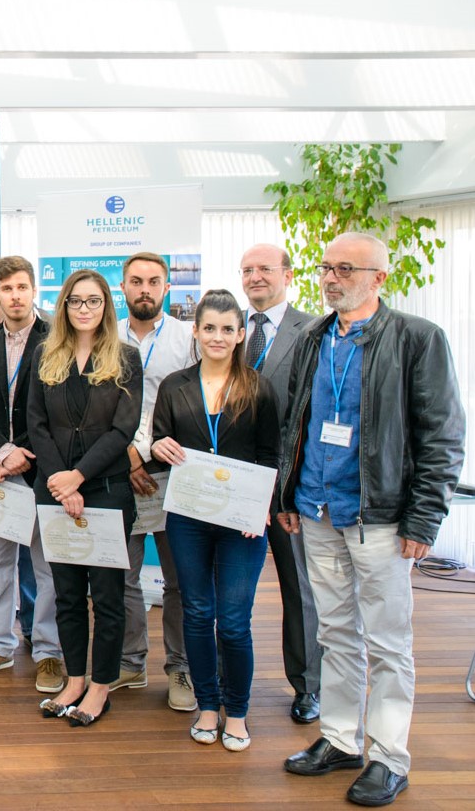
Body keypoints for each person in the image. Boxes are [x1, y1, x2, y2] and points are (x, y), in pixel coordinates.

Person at [279, 232, 465, 807]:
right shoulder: (313, 337)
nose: (331, 279)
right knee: (334, 633)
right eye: (326, 267)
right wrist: (287, 495)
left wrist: (424, 519)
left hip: (380, 517)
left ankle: (389, 757)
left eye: (345, 269)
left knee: (387, 643)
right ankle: (340, 739)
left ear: (379, 277)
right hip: (317, 508)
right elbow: (296, 423)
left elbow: (442, 436)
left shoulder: (417, 338)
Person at [151, 289, 279, 752]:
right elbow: (161, 442)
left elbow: (270, 454)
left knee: (234, 621)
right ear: (196, 331)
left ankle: (237, 712)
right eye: (209, 328)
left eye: (227, 329)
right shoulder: (174, 385)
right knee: (198, 613)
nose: (218, 337)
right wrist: (157, 446)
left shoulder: (259, 387)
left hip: (242, 522)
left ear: (241, 334)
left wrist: (260, 507)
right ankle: (207, 707)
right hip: (189, 517)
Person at [26, 269, 141, 727]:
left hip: (106, 489)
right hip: (55, 490)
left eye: (93, 301)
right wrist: (60, 481)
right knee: (67, 594)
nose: (84, 309)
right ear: (64, 306)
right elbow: (35, 423)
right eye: (75, 301)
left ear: (106, 306)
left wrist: (77, 477)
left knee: (108, 597)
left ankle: (100, 687)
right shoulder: (45, 354)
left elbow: (122, 430)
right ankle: (75, 680)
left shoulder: (126, 357)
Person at [0, 255, 65, 694]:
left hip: (43, 471)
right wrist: (2, 453)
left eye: (22, 287)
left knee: (46, 568)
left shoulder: (56, 339)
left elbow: (60, 411)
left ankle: (48, 652)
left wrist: (24, 454)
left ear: (33, 289)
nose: (15, 296)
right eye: (7, 289)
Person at [238, 242, 321, 725]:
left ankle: (308, 686)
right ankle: (225, 680)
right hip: (232, 482)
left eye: (265, 269)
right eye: (247, 270)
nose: (255, 277)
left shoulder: (312, 330)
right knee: (227, 589)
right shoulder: (228, 328)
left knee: (299, 587)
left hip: (288, 485)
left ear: (288, 275)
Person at [115, 251, 196, 711]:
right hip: (117, 468)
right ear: (123, 287)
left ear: (166, 287)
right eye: (136, 281)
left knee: (178, 579)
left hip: (173, 471)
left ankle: (180, 666)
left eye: (153, 281)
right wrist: (128, 456)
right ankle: (131, 661)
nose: (144, 289)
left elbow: (196, 401)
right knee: (122, 575)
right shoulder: (105, 335)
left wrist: (153, 450)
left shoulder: (187, 337)